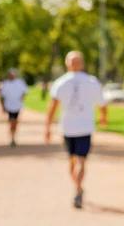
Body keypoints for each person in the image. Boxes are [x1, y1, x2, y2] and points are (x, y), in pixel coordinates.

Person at [45, 51, 108, 209]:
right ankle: (79, 188)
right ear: (82, 63)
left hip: (69, 128)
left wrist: (47, 127)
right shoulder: (92, 82)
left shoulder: (60, 83)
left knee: (73, 161)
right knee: (81, 161)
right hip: (83, 128)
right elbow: (102, 104)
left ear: (67, 64)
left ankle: (78, 188)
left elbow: (52, 108)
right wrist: (103, 117)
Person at [0, 68, 28, 147]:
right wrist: (3, 106)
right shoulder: (5, 84)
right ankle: (12, 138)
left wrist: (21, 99)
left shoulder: (20, 83)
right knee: (11, 122)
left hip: (17, 106)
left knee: (15, 122)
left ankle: (13, 137)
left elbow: (25, 91)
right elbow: (2, 96)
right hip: (9, 106)